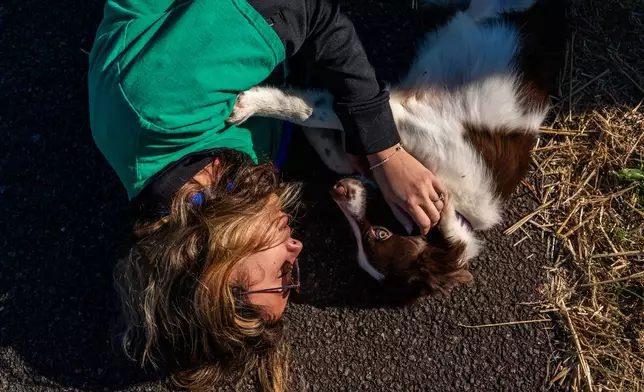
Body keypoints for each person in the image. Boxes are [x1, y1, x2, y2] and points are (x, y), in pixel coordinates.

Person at [88, 0, 448, 390]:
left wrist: (383, 148)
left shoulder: (160, 106)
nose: (297, 249)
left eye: (284, 277)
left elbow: (307, 8)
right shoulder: (220, 186)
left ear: (216, 268)